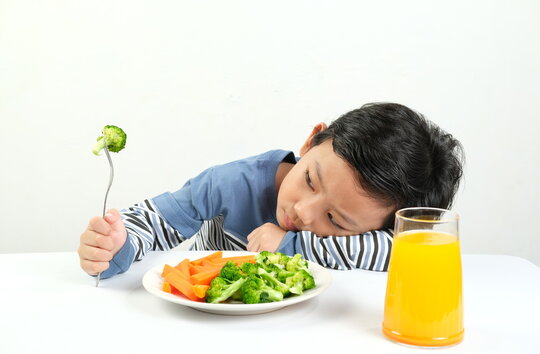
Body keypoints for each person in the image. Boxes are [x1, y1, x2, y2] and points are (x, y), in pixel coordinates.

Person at [78, 102, 464, 278]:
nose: (303, 213)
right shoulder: (230, 184)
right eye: (310, 180)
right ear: (312, 142)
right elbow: (153, 221)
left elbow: (407, 252)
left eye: (336, 220)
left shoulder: (388, 225)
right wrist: (116, 245)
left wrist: (289, 246)